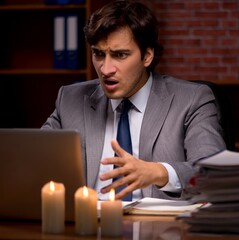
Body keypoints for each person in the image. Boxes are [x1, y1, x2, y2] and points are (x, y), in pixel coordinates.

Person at [42, 0, 226, 201]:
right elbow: (33, 157)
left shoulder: (192, 100)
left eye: (119, 55)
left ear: (147, 56)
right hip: (88, 225)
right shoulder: (70, 100)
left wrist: (158, 173)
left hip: (159, 229)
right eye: (98, 54)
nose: (105, 69)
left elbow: (213, 172)